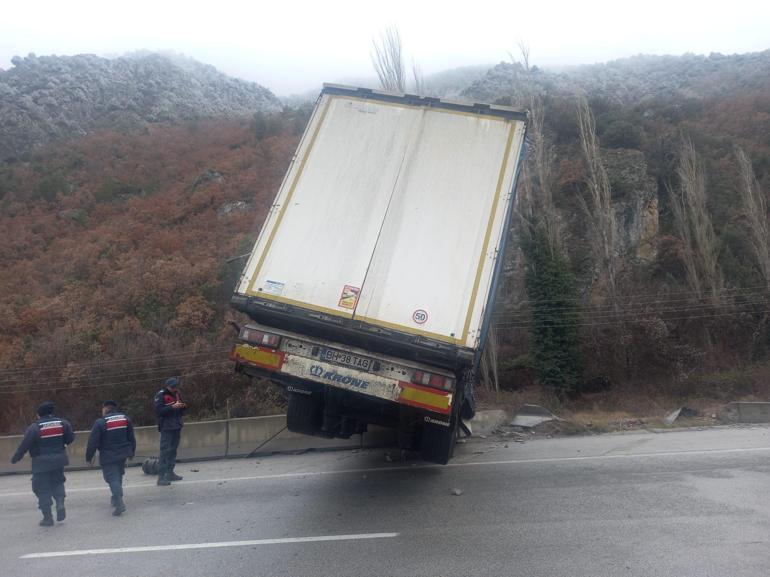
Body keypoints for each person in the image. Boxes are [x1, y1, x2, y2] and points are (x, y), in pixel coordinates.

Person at [10, 401, 75, 526]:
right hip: (59, 460)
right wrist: (61, 445)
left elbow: (25, 445)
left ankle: (47, 518)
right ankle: (60, 502)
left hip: (41, 464)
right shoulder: (63, 423)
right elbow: (71, 438)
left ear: (39, 415)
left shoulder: (34, 427)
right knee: (57, 482)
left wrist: (16, 458)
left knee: (41, 489)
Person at [85, 400, 136, 516]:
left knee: (112, 478)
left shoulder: (100, 422)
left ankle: (119, 502)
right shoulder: (125, 419)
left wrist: (89, 458)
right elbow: (131, 437)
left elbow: (92, 442)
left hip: (108, 455)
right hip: (123, 453)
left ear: (105, 409)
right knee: (118, 475)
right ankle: (116, 497)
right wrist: (132, 452)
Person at [154, 376, 186, 486]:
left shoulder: (177, 393)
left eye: (175, 386)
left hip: (176, 425)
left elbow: (182, 407)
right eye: (172, 387)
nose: (174, 388)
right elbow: (159, 411)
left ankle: (170, 473)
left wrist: (182, 406)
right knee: (165, 451)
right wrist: (172, 407)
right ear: (168, 386)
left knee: (173, 451)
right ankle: (161, 477)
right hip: (167, 427)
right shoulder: (161, 395)